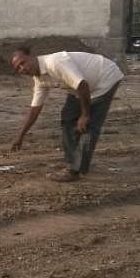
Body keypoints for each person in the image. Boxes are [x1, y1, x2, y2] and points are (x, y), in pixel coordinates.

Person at [9, 48, 124, 182]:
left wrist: (85, 115)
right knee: (68, 118)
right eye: (18, 68)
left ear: (32, 57)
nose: (23, 69)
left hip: (104, 78)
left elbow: (82, 85)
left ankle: (75, 170)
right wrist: (20, 136)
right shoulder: (40, 79)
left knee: (88, 126)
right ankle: (73, 162)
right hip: (81, 87)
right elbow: (35, 109)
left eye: (23, 63)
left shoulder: (54, 63)